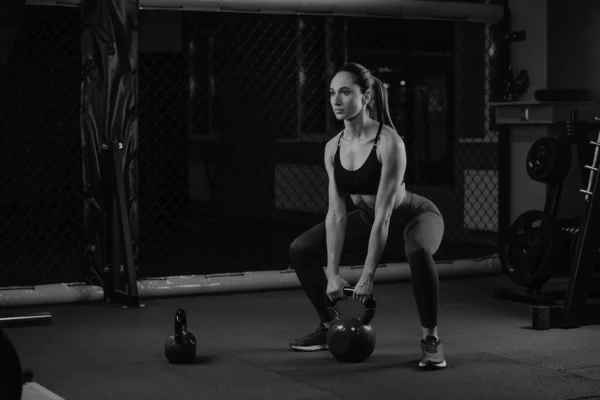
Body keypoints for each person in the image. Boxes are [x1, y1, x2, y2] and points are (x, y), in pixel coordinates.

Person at [288, 62, 446, 369]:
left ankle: (431, 338)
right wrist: (332, 274)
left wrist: (366, 277)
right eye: (333, 93)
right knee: (301, 250)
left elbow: (385, 217)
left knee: (419, 250)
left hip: (412, 214)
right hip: (367, 215)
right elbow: (336, 214)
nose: (336, 100)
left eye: (346, 92)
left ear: (367, 96)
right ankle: (328, 326)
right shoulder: (333, 147)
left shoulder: (389, 143)